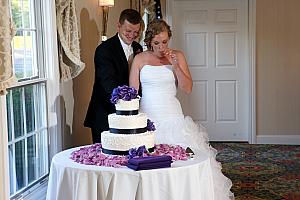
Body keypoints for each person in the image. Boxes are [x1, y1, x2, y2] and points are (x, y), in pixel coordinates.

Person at [129, 19, 234, 199]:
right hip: (148, 116)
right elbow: (132, 93)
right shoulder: (139, 59)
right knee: (149, 165)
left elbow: (187, 88)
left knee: (180, 162)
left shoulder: (177, 55)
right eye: (156, 43)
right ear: (149, 41)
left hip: (172, 115)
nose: (161, 47)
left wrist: (176, 65)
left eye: (164, 42)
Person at [85, 9, 144, 143]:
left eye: (136, 32)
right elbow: (108, 83)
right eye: (128, 31)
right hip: (105, 113)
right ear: (118, 26)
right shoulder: (104, 50)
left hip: (129, 115)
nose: (132, 35)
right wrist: (127, 105)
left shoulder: (138, 48)